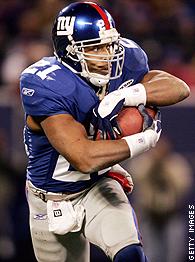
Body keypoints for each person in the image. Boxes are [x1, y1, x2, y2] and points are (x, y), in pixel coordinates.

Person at [19, 2, 190, 262]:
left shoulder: (125, 61)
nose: (108, 54)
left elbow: (179, 88)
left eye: (109, 44)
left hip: (96, 186)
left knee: (130, 254)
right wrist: (142, 141)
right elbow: (83, 157)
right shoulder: (47, 84)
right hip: (51, 200)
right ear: (71, 52)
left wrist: (131, 93)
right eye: (95, 48)